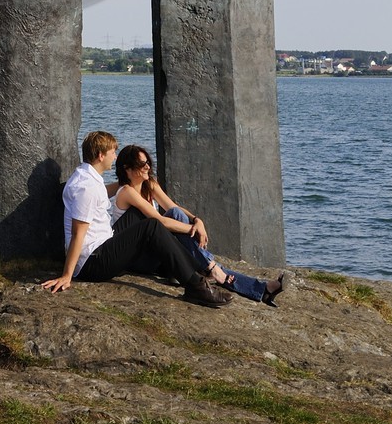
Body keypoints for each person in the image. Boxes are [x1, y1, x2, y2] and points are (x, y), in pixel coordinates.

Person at [41, 130, 232, 307]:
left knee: (139, 212)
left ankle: (174, 267)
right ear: (101, 156)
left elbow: (104, 193)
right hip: (93, 262)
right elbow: (78, 234)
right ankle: (195, 286)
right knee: (151, 226)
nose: (114, 157)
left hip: (103, 244)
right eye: (112, 152)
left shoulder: (88, 177)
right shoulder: (86, 188)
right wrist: (67, 275)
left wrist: (131, 180)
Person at [110, 143, 284, 306]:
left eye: (148, 162)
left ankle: (260, 289)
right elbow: (160, 220)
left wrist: (196, 220)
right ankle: (217, 271)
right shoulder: (126, 192)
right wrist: (192, 229)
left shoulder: (150, 185)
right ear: (127, 168)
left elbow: (173, 208)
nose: (147, 166)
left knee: (177, 216)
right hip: (138, 257)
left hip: (156, 251)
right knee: (204, 261)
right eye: (142, 164)